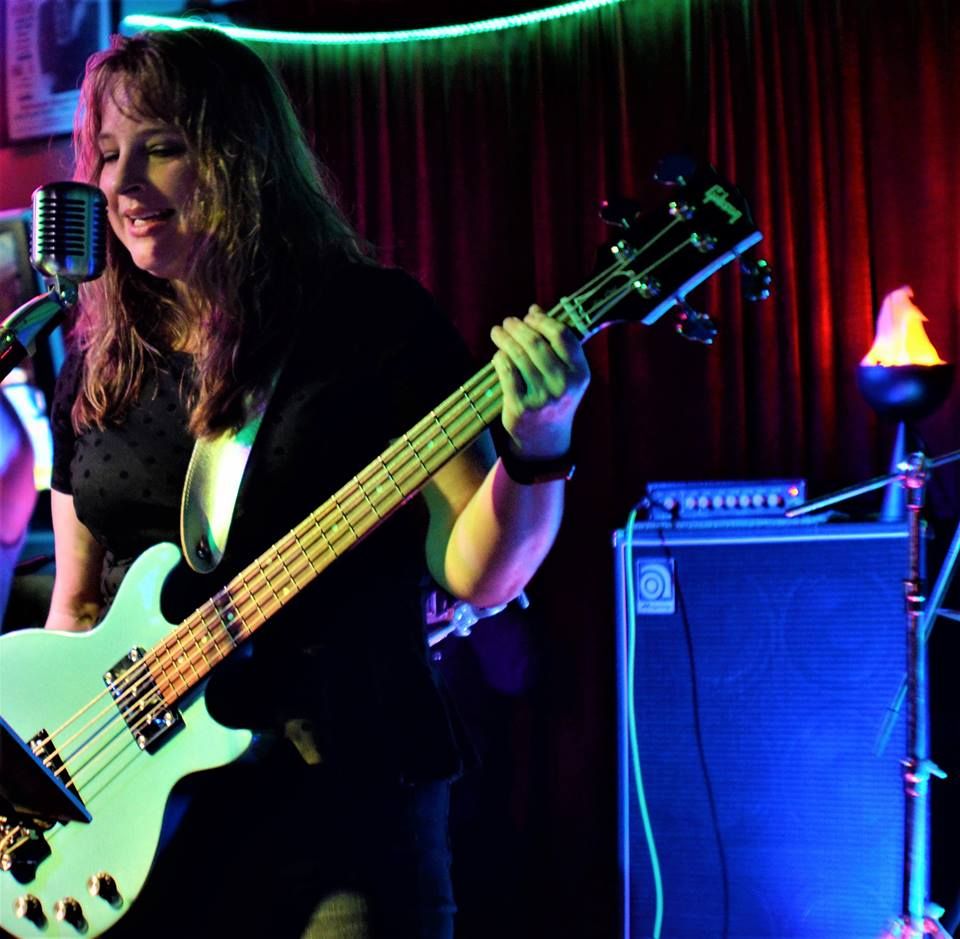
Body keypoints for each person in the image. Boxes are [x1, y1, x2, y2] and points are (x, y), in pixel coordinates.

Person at [44, 26, 589, 939]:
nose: (124, 184)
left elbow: (480, 571)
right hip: (142, 817)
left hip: (343, 789)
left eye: (161, 147)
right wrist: (56, 774)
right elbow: (77, 606)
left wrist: (539, 442)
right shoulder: (98, 363)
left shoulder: (371, 322)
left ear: (239, 159)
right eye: (106, 155)